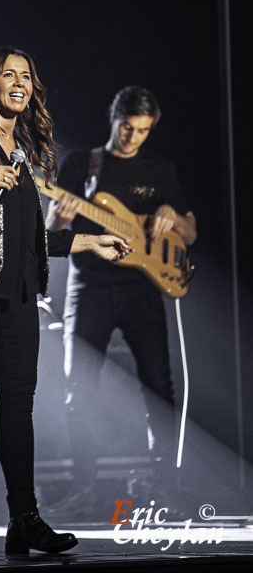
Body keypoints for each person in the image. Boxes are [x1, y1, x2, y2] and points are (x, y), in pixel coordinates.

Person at [0, 47, 131, 553]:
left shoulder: (24, 151)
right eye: (9, 75)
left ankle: (24, 518)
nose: (21, 82)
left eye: (27, 76)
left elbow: (32, 238)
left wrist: (91, 242)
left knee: (19, 406)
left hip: (19, 295)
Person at [46, 85, 197, 514]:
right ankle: (85, 488)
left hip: (143, 287)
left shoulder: (160, 167)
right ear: (114, 120)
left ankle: (166, 487)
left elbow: (190, 228)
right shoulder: (82, 164)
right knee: (79, 388)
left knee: (158, 387)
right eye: (127, 128)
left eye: (142, 131)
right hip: (89, 285)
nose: (133, 138)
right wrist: (60, 217)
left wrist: (175, 220)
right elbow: (54, 230)